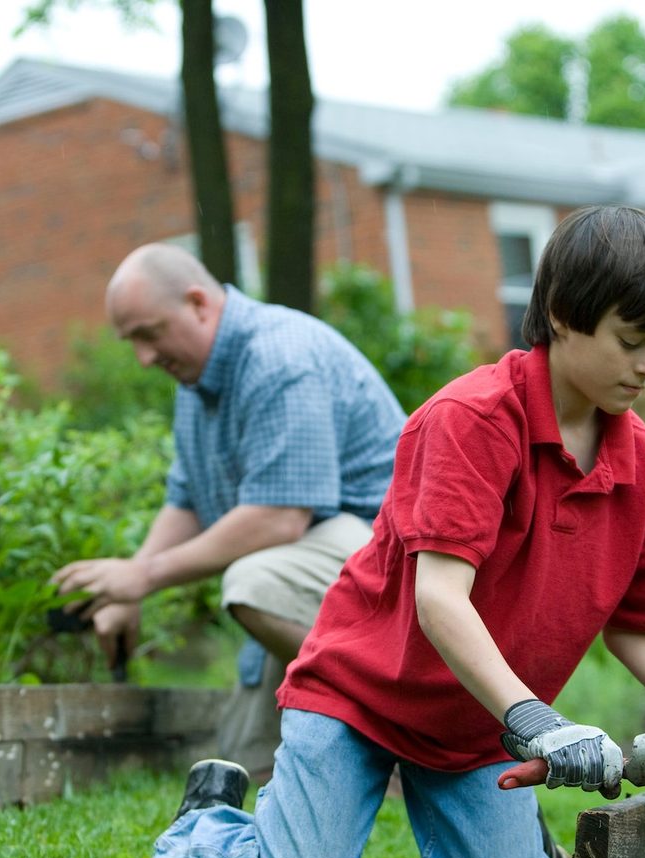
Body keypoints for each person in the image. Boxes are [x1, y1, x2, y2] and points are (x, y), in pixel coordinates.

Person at [151, 205, 645, 858]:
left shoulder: (639, 463)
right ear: (561, 315)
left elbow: (637, 629)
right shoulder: (472, 419)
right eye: (632, 341)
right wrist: (540, 722)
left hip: (477, 728)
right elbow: (440, 599)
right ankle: (208, 823)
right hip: (360, 697)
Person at [52, 243, 407, 774]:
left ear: (198, 303)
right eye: (132, 343)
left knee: (255, 583)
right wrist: (126, 588)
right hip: (317, 572)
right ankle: (358, 743)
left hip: (395, 569)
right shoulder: (196, 382)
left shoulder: (278, 358)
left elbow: (279, 518)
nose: (144, 359)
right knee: (242, 762)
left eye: (149, 334)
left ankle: (404, 729)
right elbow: (188, 498)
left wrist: (145, 575)